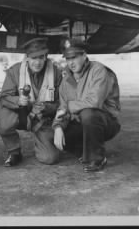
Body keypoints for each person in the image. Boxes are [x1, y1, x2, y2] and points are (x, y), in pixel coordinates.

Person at [52, 39, 121, 172]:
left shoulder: (98, 70)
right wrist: (57, 127)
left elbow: (94, 102)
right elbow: (62, 107)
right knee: (55, 136)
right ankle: (83, 153)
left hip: (106, 122)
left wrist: (68, 107)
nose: (71, 62)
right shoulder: (66, 78)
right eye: (67, 58)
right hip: (83, 121)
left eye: (74, 57)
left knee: (88, 113)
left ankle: (98, 159)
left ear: (84, 55)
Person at [0, 38, 63, 167]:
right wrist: (18, 100)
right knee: (4, 118)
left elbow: (63, 102)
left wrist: (47, 107)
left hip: (43, 119)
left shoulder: (56, 72)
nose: (37, 62)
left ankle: (43, 142)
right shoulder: (14, 71)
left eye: (41, 58)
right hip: (22, 114)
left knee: (49, 158)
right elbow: (3, 98)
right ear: (27, 58)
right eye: (33, 58)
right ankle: (14, 152)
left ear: (46, 57)